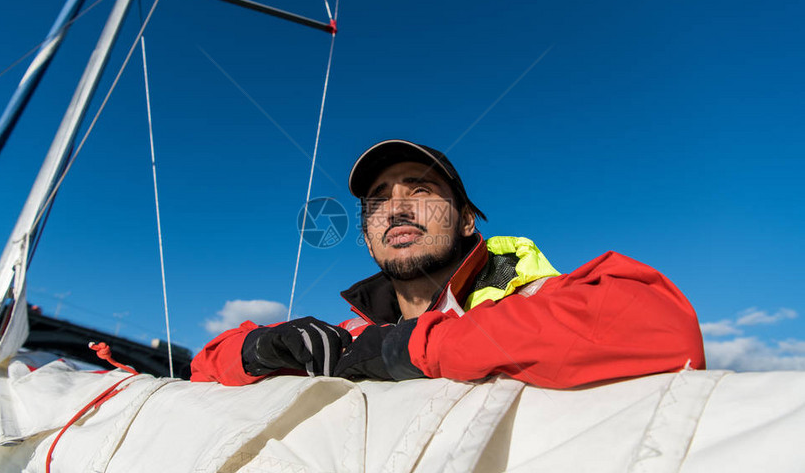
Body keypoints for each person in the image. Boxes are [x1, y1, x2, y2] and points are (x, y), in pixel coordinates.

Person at [190, 139, 705, 388]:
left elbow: (662, 328)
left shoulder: (530, 296)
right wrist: (257, 350)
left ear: (465, 222)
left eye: (421, 189)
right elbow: (199, 373)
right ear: (368, 238)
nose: (396, 207)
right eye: (377, 201)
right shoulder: (351, 336)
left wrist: (409, 348)